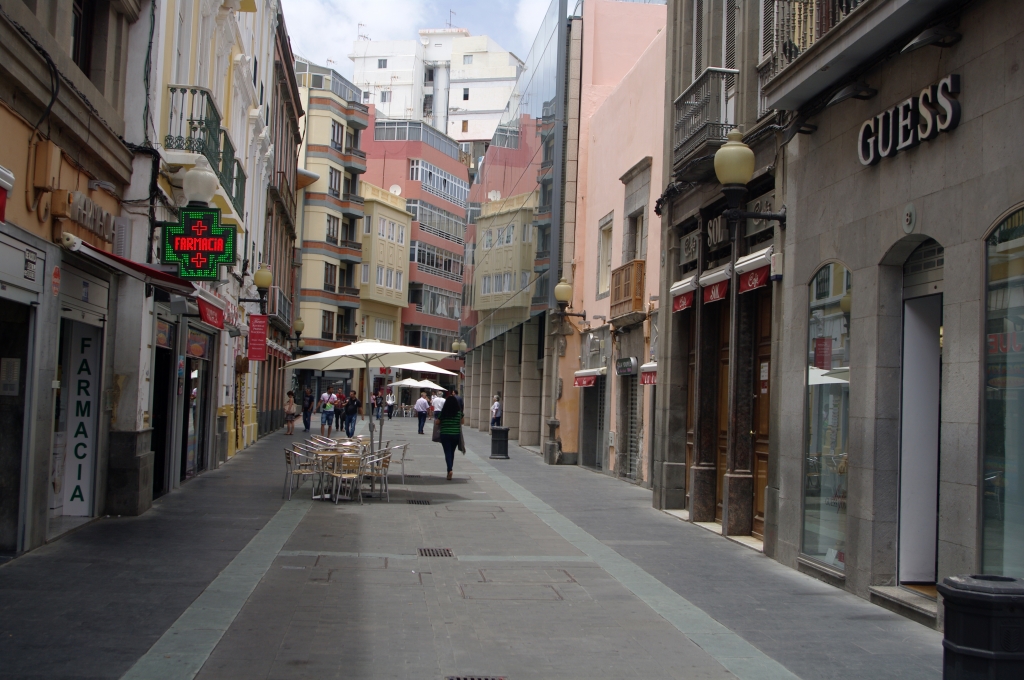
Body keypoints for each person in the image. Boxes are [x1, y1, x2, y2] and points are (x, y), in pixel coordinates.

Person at [437, 392, 462, 480]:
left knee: (447, 452)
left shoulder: (443, 413)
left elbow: (437, 422)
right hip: (455, 434)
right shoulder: (459, 413)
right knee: (452, 452)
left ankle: (449, 470)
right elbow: (462, 422)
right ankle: (449, 470)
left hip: (445, 434)